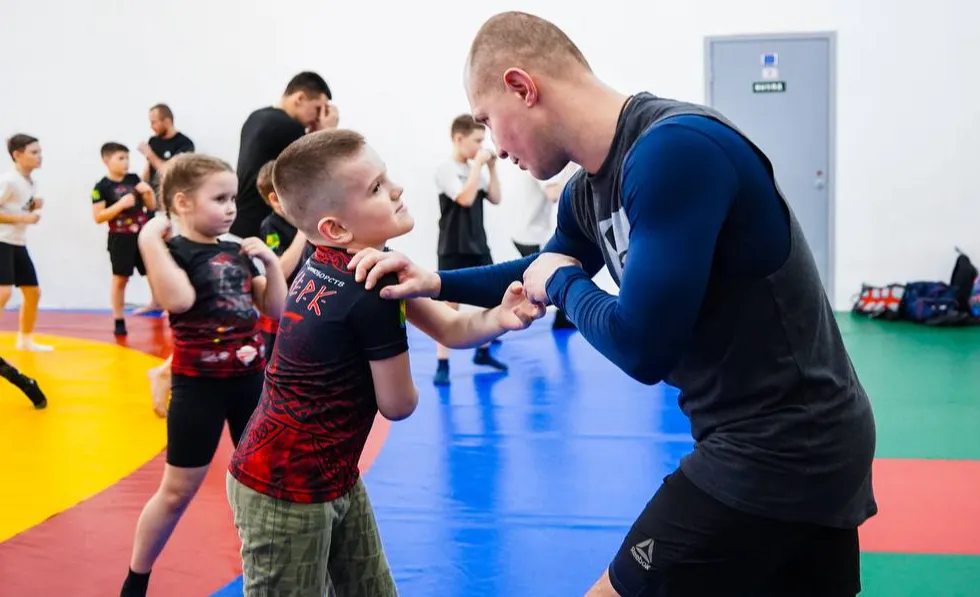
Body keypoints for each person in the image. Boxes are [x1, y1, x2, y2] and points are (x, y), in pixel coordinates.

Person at [347, 11, 877, 597]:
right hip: (784, 436)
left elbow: (642, 347)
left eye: (489, 121)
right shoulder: (588, 188)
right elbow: (539, 268)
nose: (497, 147)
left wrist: (564, 285)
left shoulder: (675, 150)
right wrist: (433, 281)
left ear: (522, 87)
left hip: (782, 443)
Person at [226, 128, 544, 597]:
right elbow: (398, 404)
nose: (396, 189)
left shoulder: (349, 259)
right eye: (376, 187)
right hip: (283, 486)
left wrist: (500, 316)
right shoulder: (369, 290)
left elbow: (451, 328)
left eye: (386, 177)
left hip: (332, 472)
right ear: (336, 228)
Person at [119, 153, 286, 597]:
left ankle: (275, 570)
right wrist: (149, 240)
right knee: (177, 491)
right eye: (219, 199)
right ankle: (136, 578)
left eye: (233, 198)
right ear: (183, 202)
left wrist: (270, 263)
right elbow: (177, 300)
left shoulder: (236, 251)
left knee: (267, 483)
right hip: (199, 389)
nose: (231, 208)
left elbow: (274, 307)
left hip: (250, 382)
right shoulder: (173, 253)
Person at [432, 114, 507, 385]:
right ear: (458, 139)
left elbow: (495, 198)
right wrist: (477, 166)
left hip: (478, 244)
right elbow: (464, 198)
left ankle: (483, 352)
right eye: (476, 140)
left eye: (483, 140)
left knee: (491, 298)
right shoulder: (446, 169)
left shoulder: (476, 171)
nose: (481, 146)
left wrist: (492, 169)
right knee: (449, 307)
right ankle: (442, 363)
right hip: (453, 247)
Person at [231, 71, 339, 239]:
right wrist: (328, 132)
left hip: (240, 219)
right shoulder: (288, 127)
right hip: (264, 228)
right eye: (318, 109)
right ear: (300, 98)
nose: (318, 117)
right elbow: (321, 172)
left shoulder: (257, 117)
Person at [91, 142, 157, 336]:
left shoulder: (133, 179)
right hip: (120, 238)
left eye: (127, 158)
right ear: (106, 160)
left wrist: (148, 193)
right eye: (120, 158)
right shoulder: (101, 187)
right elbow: (98, 217)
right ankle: (118, 318)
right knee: (121, 278)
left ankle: (158, 303)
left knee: (154, 272)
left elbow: (151, 207)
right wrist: (120, 204)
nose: (126, 162)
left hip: (142, 235)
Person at [254, 158, 313, 359]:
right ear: (275, 198)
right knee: (278, 354)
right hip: (284, 307)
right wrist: (302, 231)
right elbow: (281, 269)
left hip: (308, 299)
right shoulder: (271, 226)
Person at [511, 162, 577, 330]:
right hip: (528, 236)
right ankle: (499, 319)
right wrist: (571, 166)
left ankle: (560, 317)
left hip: (535, 234)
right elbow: (554, 194)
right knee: (544, 277)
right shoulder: (537, 168)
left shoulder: (541, 169)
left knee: (555, 272)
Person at [0, 134, 50, 352]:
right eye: (34, 152)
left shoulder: (30, 182)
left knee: (32, 292)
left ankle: (25, 340)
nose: (40, 156)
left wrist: (31, 206)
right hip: (2, 240)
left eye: (40, 152)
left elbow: (12, 207)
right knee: (3, 292)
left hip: (17, 242)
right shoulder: (9, 180)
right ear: (17, 155)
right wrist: (23, 217)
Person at [140, 103, 195, 193]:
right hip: (154, 194)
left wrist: (149, 154)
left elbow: (170, 172)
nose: (151, 127)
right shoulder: (154, 141)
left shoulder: (185, 144)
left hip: (171, 193)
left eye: (154, 122)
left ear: (167, 122)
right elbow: (148, 168)